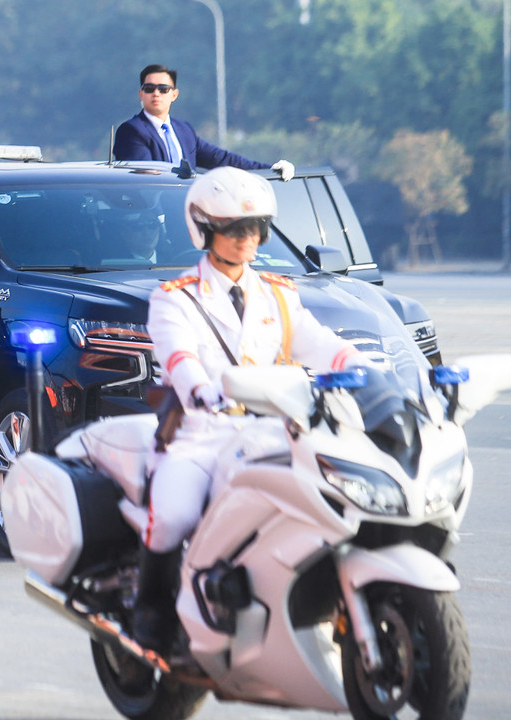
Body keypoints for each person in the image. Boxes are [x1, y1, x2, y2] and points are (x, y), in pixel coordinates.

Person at [135, 166, 365, 652]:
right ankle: (150, 607)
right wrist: (202, 390)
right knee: (173, 516)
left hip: (273, 432)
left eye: (256, 228)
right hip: (202, 435)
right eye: (235, 229)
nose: (248, 239)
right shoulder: (175, 298)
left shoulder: (278, 294)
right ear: (204, 230)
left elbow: (319, 343)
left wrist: (367, 369)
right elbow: (179, 357)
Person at [112, 64, 295, 181]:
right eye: (149, 88)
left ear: (174, 94)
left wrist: (269, 169)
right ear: (141, 94)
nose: (156, 93)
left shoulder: (184, 130)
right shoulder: (131, 131)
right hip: (153, 220)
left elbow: (222, 159)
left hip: (186, 213)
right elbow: (145, 180)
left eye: (163, 89)